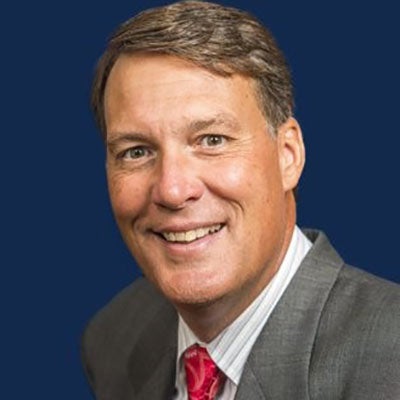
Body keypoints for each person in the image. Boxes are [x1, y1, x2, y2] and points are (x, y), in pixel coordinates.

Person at [81, 1, 400, 399]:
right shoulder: (114, 335)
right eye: (136, 151)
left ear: (288, 156)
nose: (173, 190)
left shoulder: (391, 358)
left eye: (212, 140)